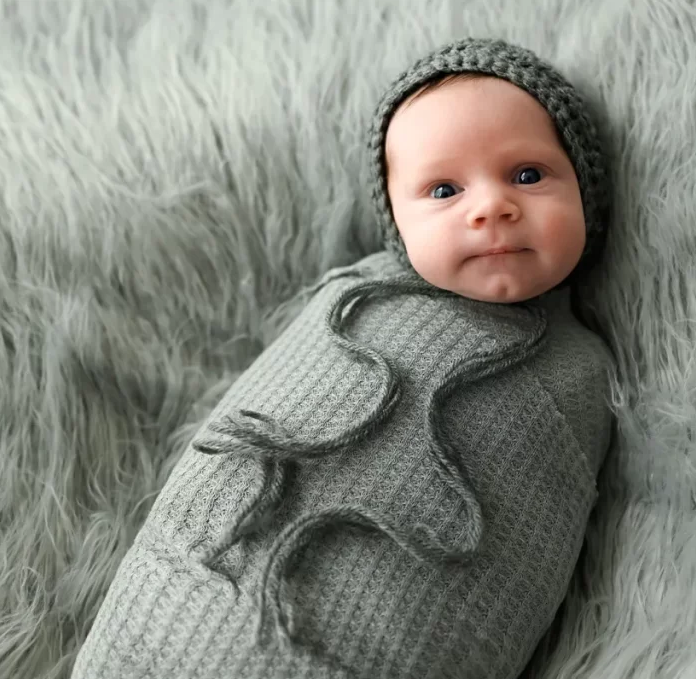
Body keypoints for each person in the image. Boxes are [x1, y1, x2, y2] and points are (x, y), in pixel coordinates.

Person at [71, 37, 615, 679]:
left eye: (528, 175)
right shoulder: (351, 297)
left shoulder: (579, 371)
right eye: (443, 189)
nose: (491, 207)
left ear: (584, 187)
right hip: (192, 595)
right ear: (397, 222)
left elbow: (535, 546)